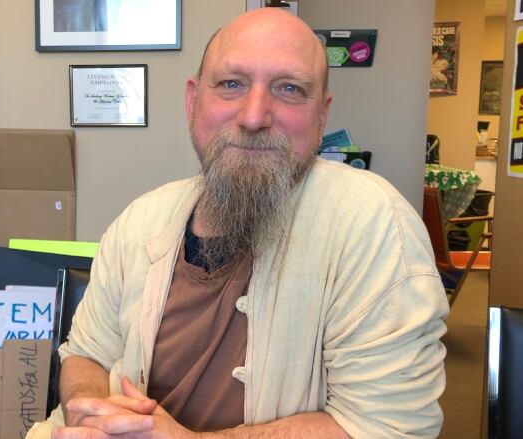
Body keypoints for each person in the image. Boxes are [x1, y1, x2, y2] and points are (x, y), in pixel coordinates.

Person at [28, 7, 448, 439]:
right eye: (231, 84)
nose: (253, 116)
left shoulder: (373, 226)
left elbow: (388, 428)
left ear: (322, 115)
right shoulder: (140, 221)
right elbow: (86, 355)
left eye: (289, 89)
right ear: (193, 100)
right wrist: (89, 414)